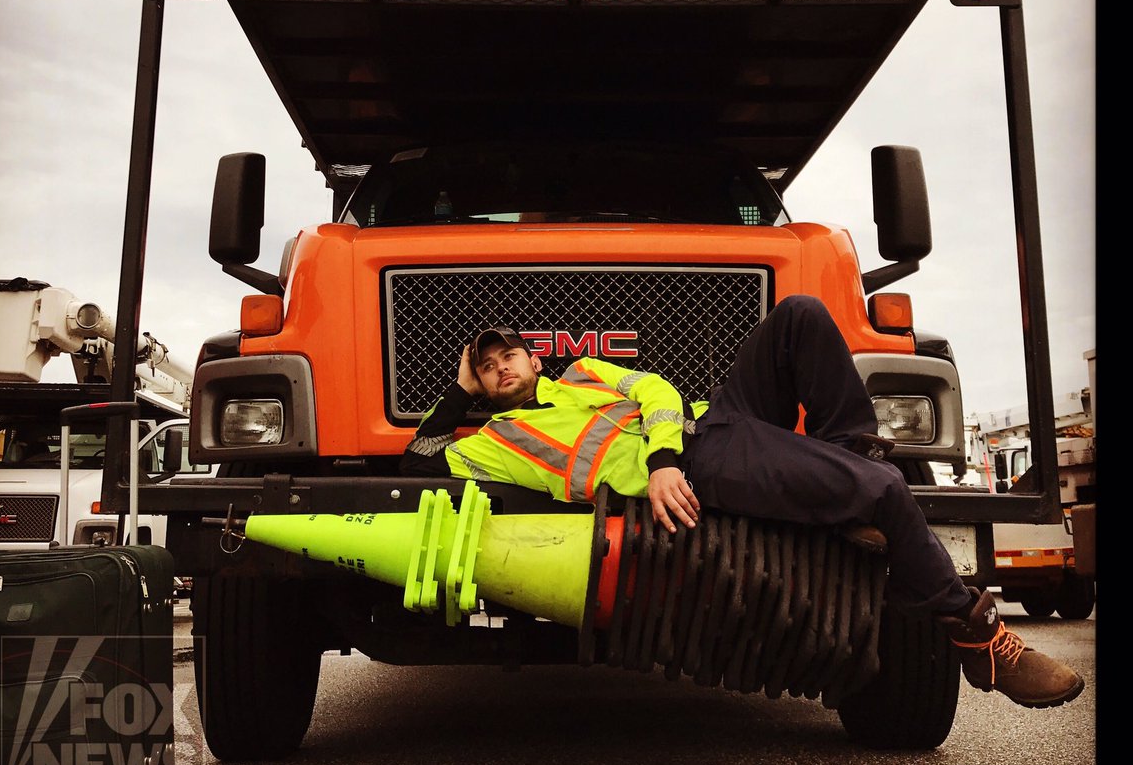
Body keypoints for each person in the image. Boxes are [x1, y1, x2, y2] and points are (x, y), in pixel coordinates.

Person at [401, 294, 1085, 710]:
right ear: (484, 388)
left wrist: (661, 455)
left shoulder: (582, 373)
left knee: (801, 317)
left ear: (533, 358)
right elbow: (419, 461)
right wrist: (458, 394)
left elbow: (659, 391)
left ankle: (846, 460)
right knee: (886, 490)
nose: (502, 368)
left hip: (708, 424)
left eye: (509, 355)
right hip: (709, 462)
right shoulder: (491, 440)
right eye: (488, 368)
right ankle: (981, 639)